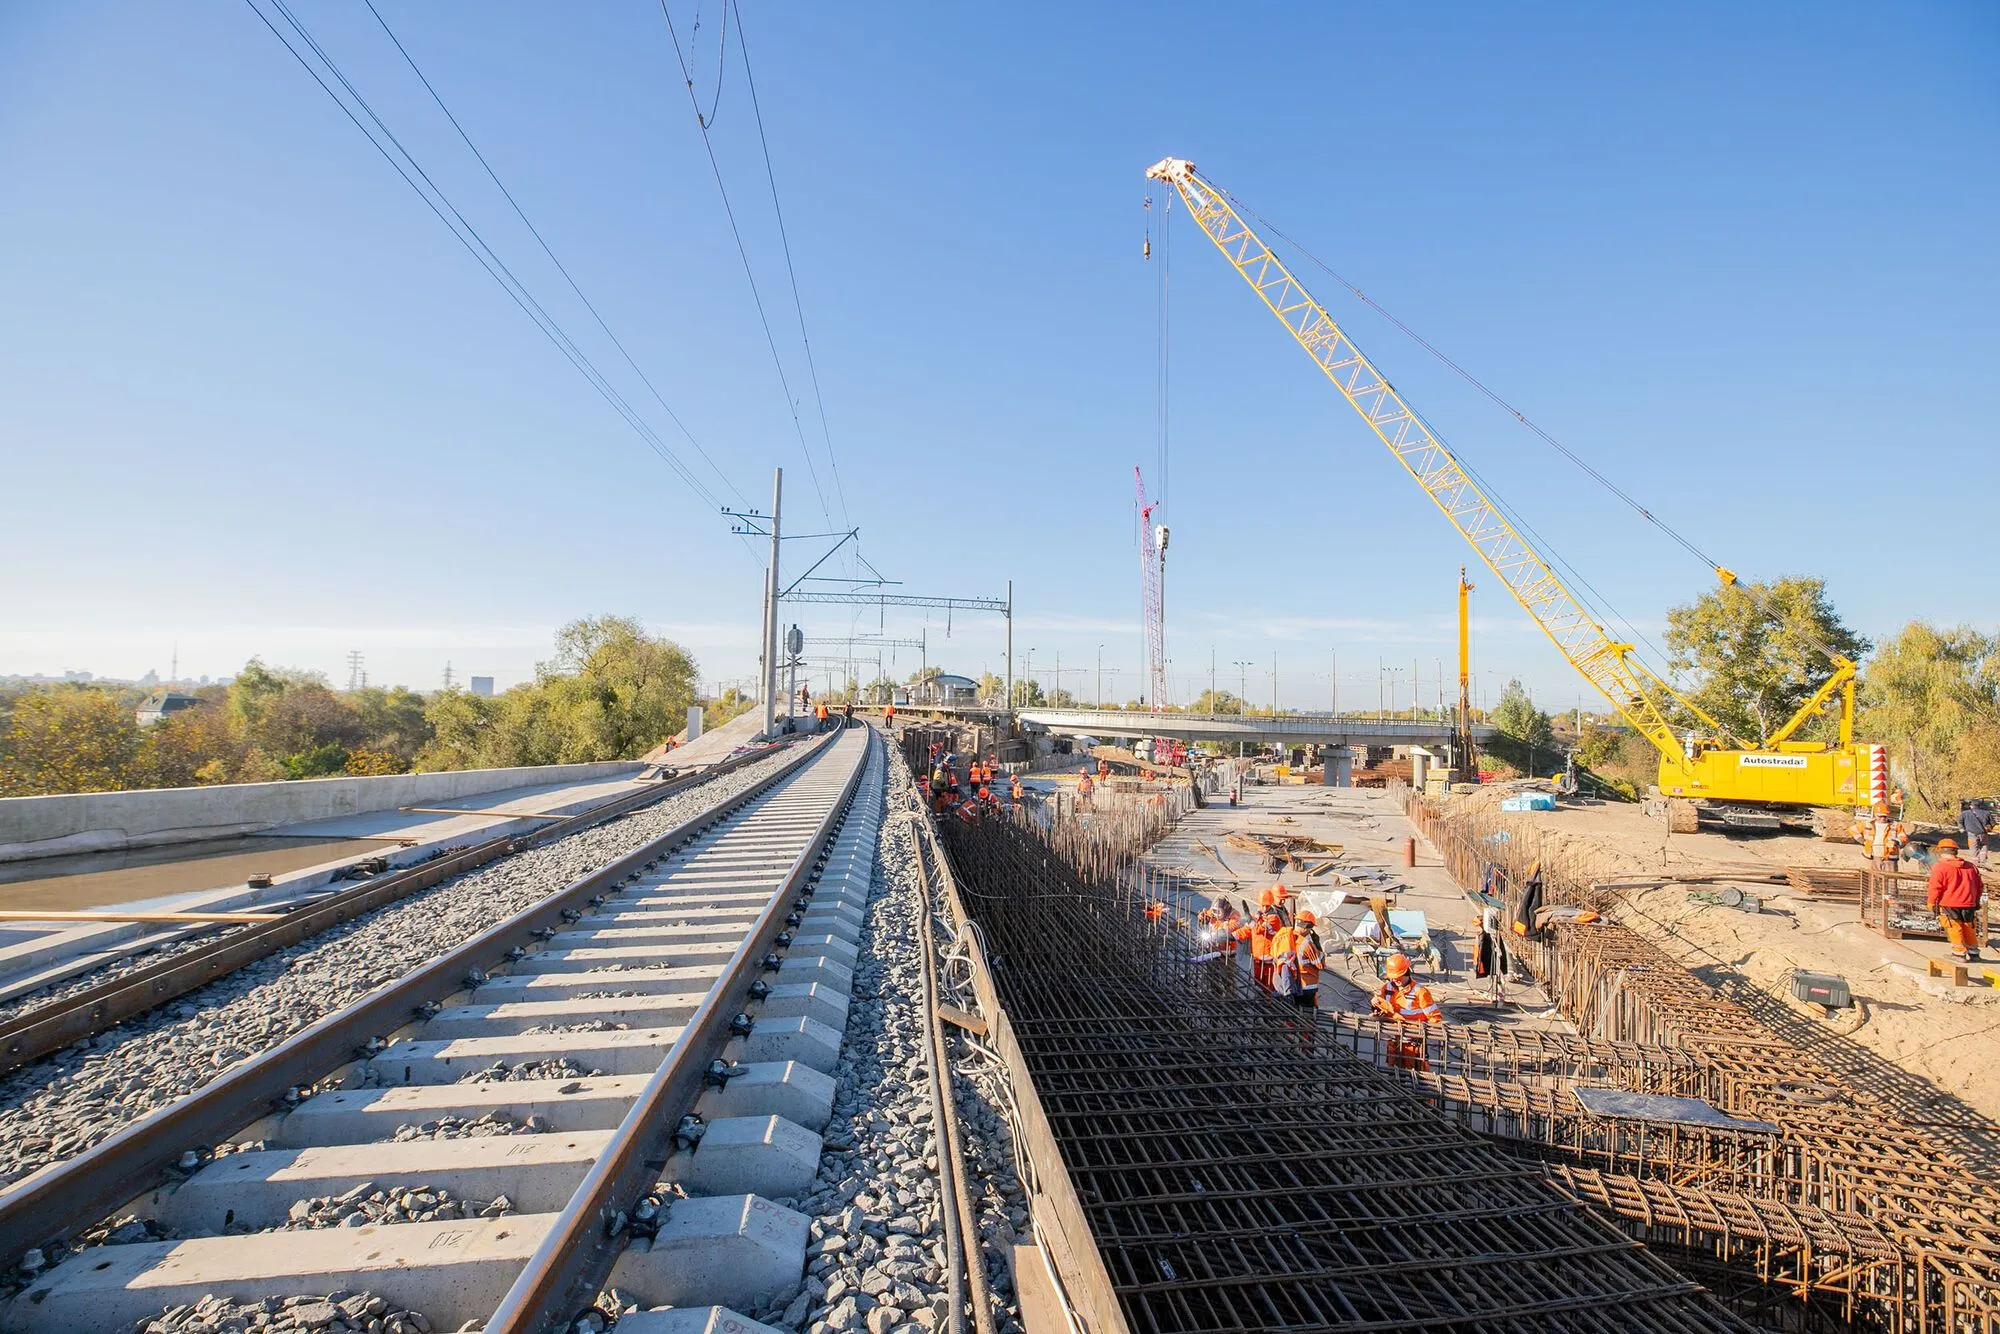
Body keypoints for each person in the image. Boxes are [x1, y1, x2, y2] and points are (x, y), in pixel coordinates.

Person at [1371, 953, 1441, 1068]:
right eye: (1393, 977)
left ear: (1406, 972)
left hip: (1412, 1043)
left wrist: (1421, 1032)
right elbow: (1383, 1009)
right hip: (1394, 1040)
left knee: (1419, 1076)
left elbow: (1435, 1019)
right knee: (1395, 1074)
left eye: (1398, 976)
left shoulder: (1420, 992)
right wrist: (1375, 1005)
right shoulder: (1387, 988)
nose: (1395, 980)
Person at [1928, 838, 1987, 962]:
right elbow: (1979, 886)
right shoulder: (1971, 867)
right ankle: (1974, 952)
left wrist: (1932, 902)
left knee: (1954, 927)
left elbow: (1935, 887)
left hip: (1950, 902)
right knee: (1968, 927)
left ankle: (1959, 953)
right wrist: (1976, 901)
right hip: (1969, 903)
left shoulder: (1940, 867)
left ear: (1940, 851)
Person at [1293, 910, 1324, 1009]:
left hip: (1292, 984)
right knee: (1309, 1014)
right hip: (1307, 986)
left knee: (1295, 1010)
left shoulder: (1289, 937)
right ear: (1306, 927)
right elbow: (1320, 964)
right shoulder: (1306, 944)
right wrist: (1318, 946)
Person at [1962, 802, 1993, 869]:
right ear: (1979, 806)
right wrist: (1989, 828)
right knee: (1984, 845)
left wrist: (1962, 828)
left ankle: (1975, 863)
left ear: (1971, 806)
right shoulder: (1987, 813)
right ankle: (1983, 861)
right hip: (1983, 833)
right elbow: (1992, 823)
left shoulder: (1965, 813)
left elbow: (1960, 821)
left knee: (1973, 847)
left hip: (1971, 833)